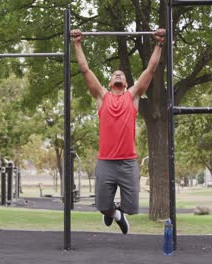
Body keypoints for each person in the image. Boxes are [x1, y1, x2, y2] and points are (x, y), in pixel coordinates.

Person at [71, 28, 165, 234]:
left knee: (132, 208)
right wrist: (77, 44)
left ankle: (120, 213)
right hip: (106, 161)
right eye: (115, 74)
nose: (118, 74)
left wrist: (158, 44)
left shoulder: (132, 96)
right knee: (102, 206)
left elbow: (150, 69)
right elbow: (85, 69)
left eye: (121, 74)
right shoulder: (101, 97)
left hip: (128, 162)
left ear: (127, 82)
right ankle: (114, 214)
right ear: (109, 82)